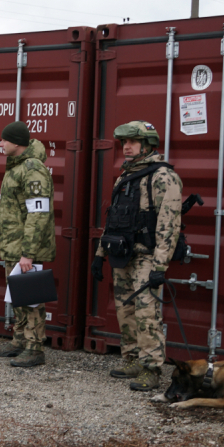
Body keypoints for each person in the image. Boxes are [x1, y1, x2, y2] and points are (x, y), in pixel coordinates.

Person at [92, 120, 183, 392]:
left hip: (147, 257)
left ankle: (151, 369)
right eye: (123, 143)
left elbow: (170, 224)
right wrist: (99, 254)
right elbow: (113, 220)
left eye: (131, 142)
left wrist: (160, 265)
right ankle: (131, 358)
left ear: (147, 144)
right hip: (122, 255)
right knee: (126, 310)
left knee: (147, 314)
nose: (126, 147)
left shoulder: (163, 177)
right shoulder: (125, 176)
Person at [0, 121, 56, 368]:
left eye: (4, 140)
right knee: (18, 297)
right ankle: (19, 341)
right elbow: (14, 211)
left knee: (30, 299)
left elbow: (37, 214)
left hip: (28, 248)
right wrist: (3, 242)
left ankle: (35, 348)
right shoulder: (16, 167)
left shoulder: (32, 169)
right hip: (15, 245)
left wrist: (28, 253)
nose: (0, 144)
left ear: (17, 142)